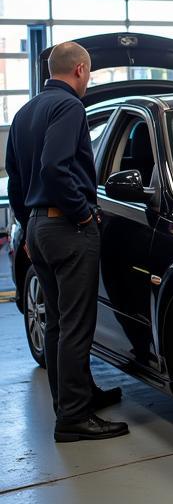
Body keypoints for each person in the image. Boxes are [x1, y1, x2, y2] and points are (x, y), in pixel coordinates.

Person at [5, 42, 129, 442]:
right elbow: (54, 168)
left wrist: (29, 225)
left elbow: (16, 179)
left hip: (39, 228)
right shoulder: (70, 107)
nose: (88, 80)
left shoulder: (25, 112)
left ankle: (74, 399)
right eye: (88, 73)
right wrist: (82, 213)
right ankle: (74, 417)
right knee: (77, 325)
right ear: (79, 69)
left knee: (59, 323)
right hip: (67, 228)